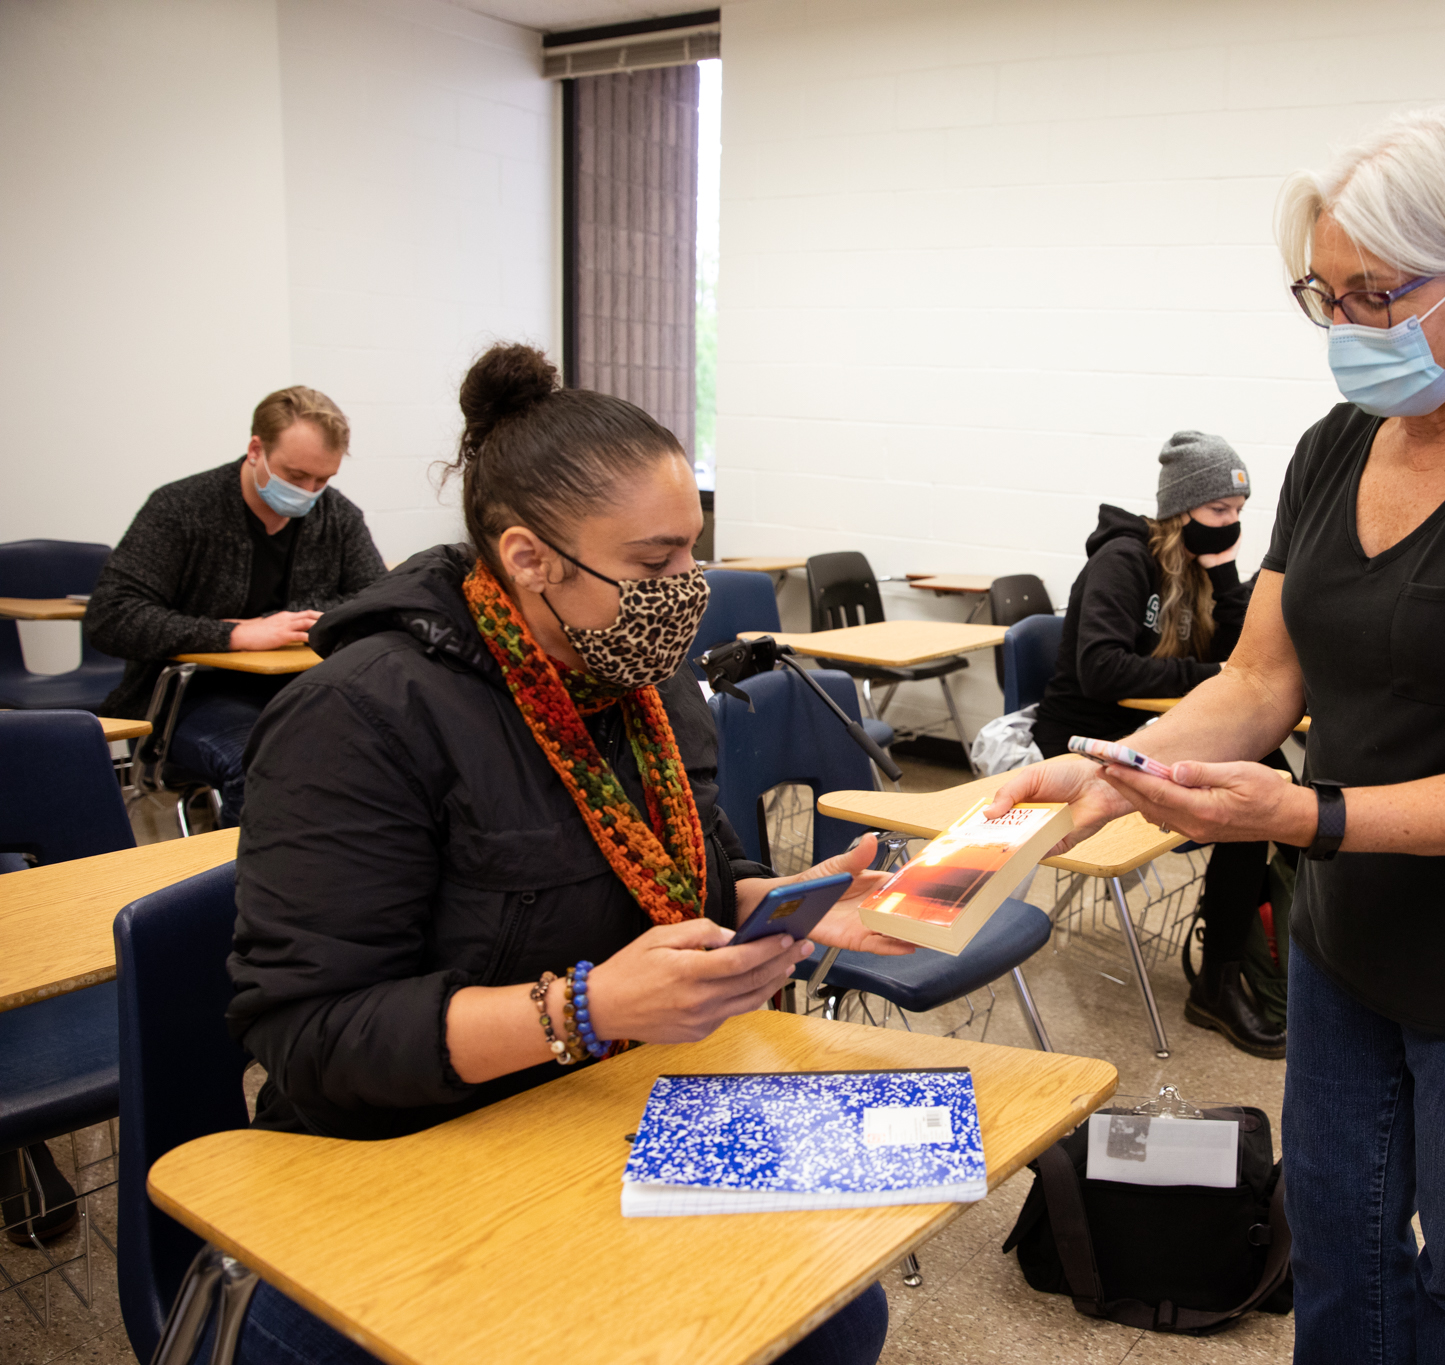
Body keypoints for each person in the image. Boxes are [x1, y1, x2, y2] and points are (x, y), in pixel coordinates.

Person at [992, 107, 1445, 1365]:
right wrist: (1114, 768)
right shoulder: (1331, 452)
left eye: (1380, 296)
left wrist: (1308, 816)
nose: (1348, 331)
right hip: (1352, 938)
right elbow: (1261, 680)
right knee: (1339, 1243)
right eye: (1326, 296)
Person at [219, 345, 905, 1365]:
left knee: (833, 1320)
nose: (688, 594)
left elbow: (687, 876)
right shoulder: (359, 717)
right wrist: (584, 1009)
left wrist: (778, 905)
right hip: (410, 1149)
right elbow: (314, 1040)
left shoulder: (639, 681)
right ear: (530, 557)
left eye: (691, 560)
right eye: (651, 565)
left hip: (606, 1100)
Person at [1031, 431, 1286, 1059]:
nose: (1230, 526)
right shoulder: (1124, 560)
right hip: (1083, 742)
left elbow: (1241, 657)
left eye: (1238, 515)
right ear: (1182, 508)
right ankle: (1221, 978)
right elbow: (1103, 670)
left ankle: (1243, 962)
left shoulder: (1197, 571)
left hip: (1148, 734)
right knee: (1246, 812)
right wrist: (1216, 680)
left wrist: (1225, 578)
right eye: (1219, 512)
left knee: (1269, 774)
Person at [84, 386, 385, 824]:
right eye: (296, 475)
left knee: (382, 754)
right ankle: (237, 890)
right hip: (187, 698)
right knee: (265, 766)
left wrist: (297, 622)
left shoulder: (337, 517)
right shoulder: (181, 509)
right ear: (255, 450)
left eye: (324, 480)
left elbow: (374, 603)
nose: (309, 491)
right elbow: (111, 616)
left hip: (300, 691)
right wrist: (236, 634)